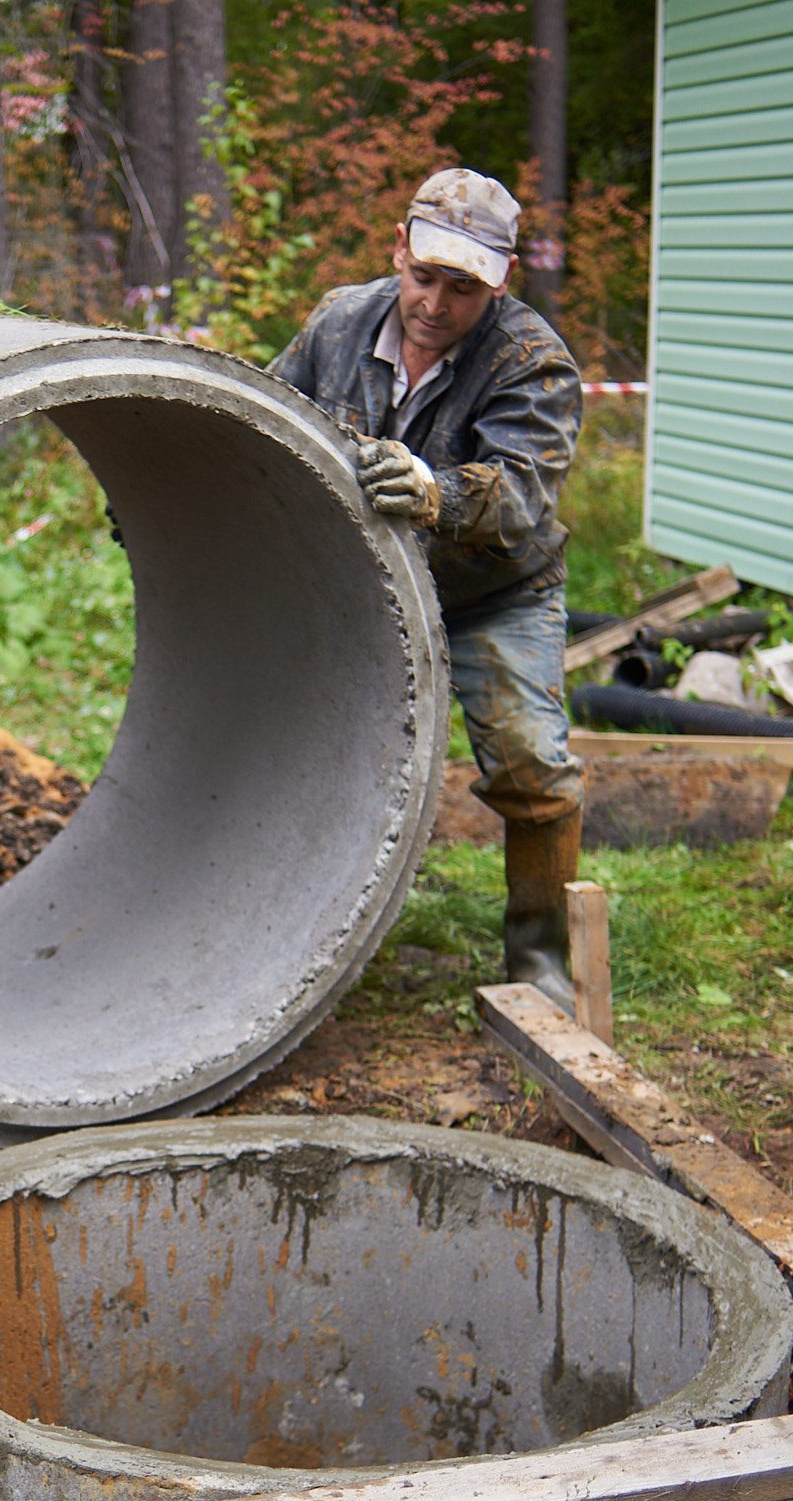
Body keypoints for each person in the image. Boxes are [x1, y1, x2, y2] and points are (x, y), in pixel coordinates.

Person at [268, 168, 586, 1013]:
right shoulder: (339, 322)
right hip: (360, 586)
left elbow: (521, 496)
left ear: (501, 282)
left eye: (462, 287)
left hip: (493, 592)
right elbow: (263, 420)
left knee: (533, 764)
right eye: (423, 276)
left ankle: (542, 961)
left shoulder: (533, 362)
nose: (436, 305)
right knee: (289, 740)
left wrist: (436, 488)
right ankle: (285, 933)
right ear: (398, 249)